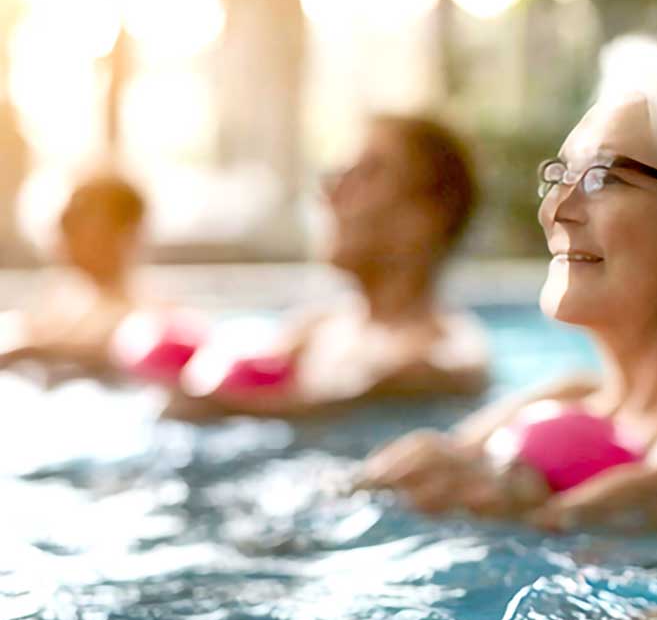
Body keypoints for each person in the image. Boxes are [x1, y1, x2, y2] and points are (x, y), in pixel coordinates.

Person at [358, 42, 657, 532]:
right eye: (560, 176)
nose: (556, 210)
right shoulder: (569, 394)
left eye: (604, 178)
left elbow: (591, 517)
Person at [161, 114, 489, 418]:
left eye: (366, 173)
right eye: (339, 173)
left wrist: (218, 408)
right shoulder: (314, 330)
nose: (331, 190)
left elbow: (312, 413)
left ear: (427, 215)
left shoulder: (443, 360)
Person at [0, 174, 150, 381]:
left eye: (76, 221)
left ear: (123, 235)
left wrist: (30, 348)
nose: (62, 234)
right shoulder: (63, 300)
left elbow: (114, 343)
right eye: (66, 222)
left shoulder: (142, 317)